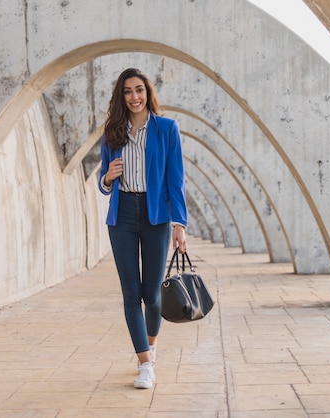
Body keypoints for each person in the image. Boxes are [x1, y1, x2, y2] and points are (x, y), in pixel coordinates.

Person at [98, 68, 188, 389]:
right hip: (121, 214)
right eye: (127, 91)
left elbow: (175, 179)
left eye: (139, 90)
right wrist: (108, 176)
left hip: (155, 215)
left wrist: (180, 223)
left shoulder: (166, 129)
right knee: (131, 294)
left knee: (152, 293)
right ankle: (145, 364)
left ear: (148, 93)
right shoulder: (112, 132)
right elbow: (103, 183)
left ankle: (151, 345)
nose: (134, 97)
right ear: (120, 97)